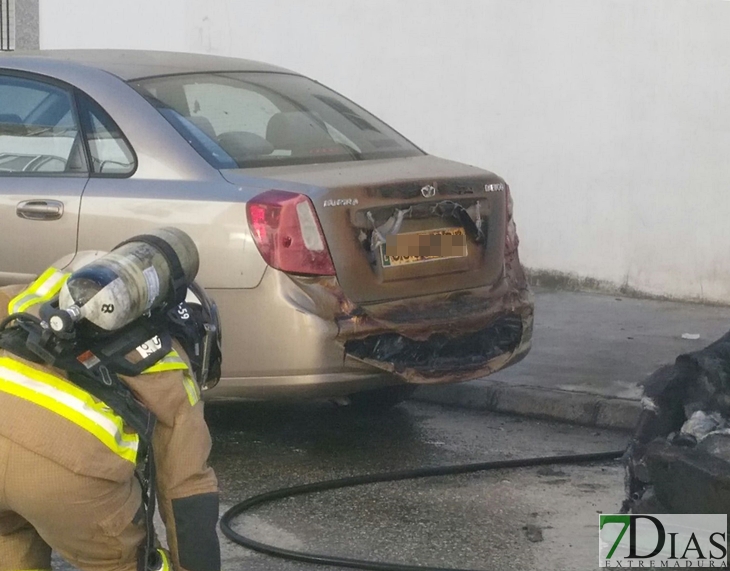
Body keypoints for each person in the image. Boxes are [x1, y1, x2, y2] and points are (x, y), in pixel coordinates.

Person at [0, 253, 221, 571]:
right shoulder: (170, 361)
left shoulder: (56, 288)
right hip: (69, 474)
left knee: (9, 544)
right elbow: (188, 490)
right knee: (128, 562)